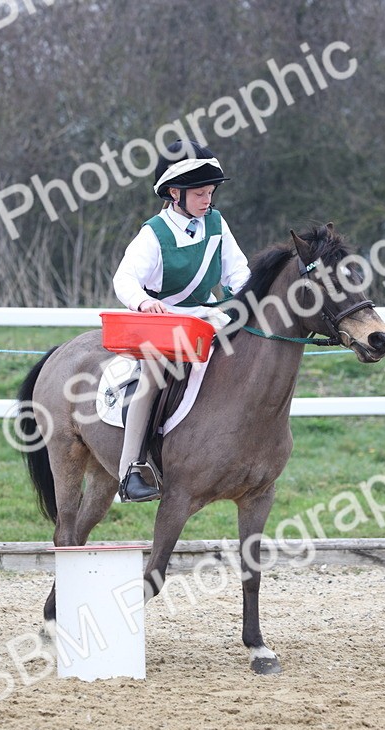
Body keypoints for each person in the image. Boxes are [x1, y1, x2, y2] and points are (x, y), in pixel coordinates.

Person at [112, 139, 250, 502]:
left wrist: (245, 299)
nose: (208, 200)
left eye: (210, 192)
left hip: (210, 319)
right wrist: (142, 303)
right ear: (175, 193)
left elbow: (239, 272)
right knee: (155, 374)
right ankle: (131, 471)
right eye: (200, 193)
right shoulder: (153, 234)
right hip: (167, 325)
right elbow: (123, 279)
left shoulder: (217, 223)